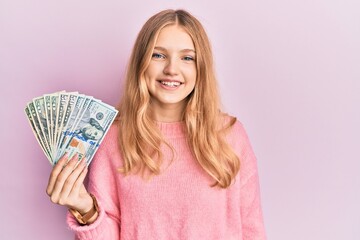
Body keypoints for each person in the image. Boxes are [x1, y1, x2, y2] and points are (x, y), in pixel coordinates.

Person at [46, 9, 267, 239]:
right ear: (141, 62)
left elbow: (252, 230)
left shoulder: (230, 135)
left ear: (201, 68)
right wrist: (85, 208)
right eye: (158, 55)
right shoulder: (112, 139)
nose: (172, 69)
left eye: (187, 57)